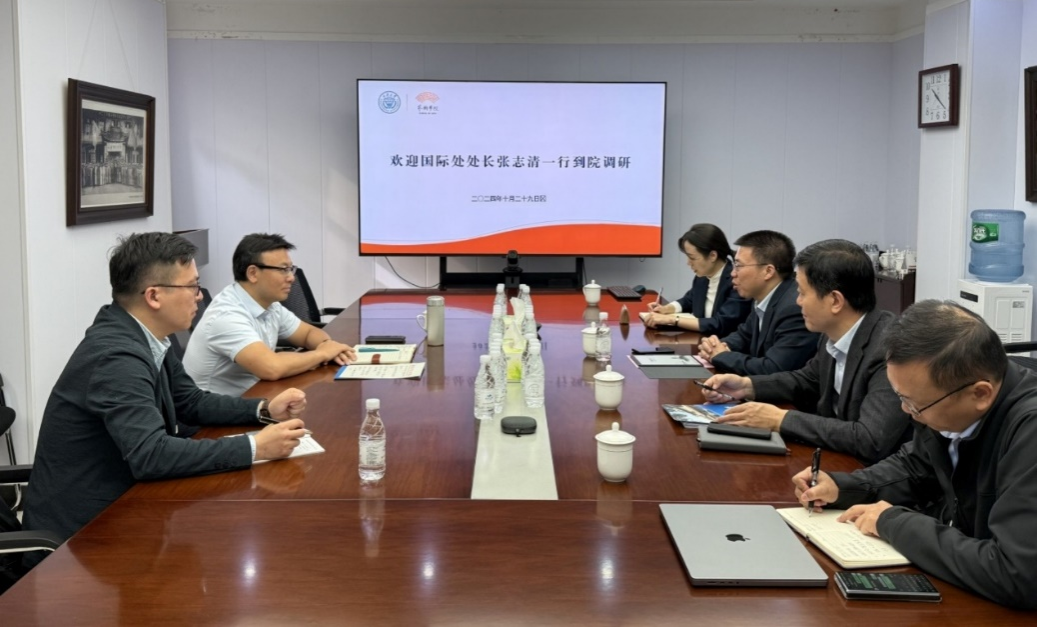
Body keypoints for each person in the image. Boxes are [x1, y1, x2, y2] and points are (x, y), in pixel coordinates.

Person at [23, 232, 309, 555]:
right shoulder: (116, 356)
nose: (199, 297)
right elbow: (152, 455)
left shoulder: (145, 334)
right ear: (154, 296)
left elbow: (190, 401)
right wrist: (254, 447)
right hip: (79, 540)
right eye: (192, 286)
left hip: (124, 506)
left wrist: (263, 409)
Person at [794, 300, 1036, 609]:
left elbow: (1016, 574)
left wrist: (894, 523)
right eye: (901, 398)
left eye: (914, 404)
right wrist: (843, 487)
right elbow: (916, 465)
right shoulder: (945, 401)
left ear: (980, 394)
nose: (906, 411)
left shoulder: (1029, 432)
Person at [702, 239, 910, 463]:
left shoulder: (889, 349)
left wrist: (781, 419)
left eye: (802, 293)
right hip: (836, 460)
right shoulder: (833, 333)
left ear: (835, 301)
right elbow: (806, 380)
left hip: (872, 474)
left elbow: (870, 439)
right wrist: (746, 386)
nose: (797, 301)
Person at [184, 233, 356, 396]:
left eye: (290, 269)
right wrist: (323, 353)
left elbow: (308, 333)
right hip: (213, 413)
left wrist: (327, 345)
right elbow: (272, 368)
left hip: (253, 397)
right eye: (283, 270)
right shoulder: (227, 315)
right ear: (253, 273)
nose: (291, 278)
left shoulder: (270, 305)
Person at [698, 230, 818, 375]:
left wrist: (721, 356)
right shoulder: (763, 297)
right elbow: (744, 336)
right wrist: (716, 346)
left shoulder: (794, 308)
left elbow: (773, 368)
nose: (733, 273)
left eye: (739, 266)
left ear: (768, 271)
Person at [642, 223, 751, 337]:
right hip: (701, 340)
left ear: (712, 256)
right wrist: (666, 308)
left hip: (724, 343)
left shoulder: (736, 281)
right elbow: (690, 300)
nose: (688, 263)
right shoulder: (702, 277)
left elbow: (721, 323)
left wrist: (673, 320)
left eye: (692, 258)